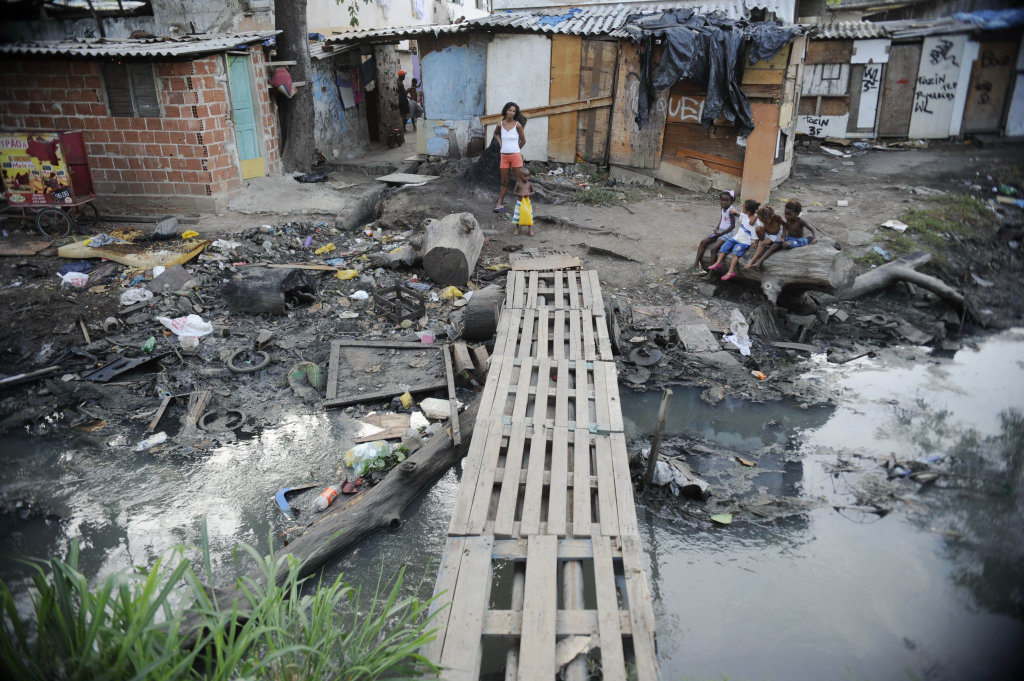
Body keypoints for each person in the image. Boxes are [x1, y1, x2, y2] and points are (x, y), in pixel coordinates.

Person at [707, 198, 760, 281]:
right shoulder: (746, 215)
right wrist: (735, 212)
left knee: (735, 253)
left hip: (744, 242)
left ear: (748, 211)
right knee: (724, 247)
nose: (742, 209)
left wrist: (756, 243)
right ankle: (717, 263)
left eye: (743, 207)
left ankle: (730, 272)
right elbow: (741, 215)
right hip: (736, 238)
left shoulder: (754, 223)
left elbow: (756, 234)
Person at [692, 189, 739, 274]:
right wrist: (717, 228)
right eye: (722, 200)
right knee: (703, 242)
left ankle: (711, 273)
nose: (723, 202)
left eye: (726, 200)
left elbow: (732, 226)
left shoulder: (731, 211)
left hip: (727, 234)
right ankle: (695, 264)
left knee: (714, 249)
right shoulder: (723, 208)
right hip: (720, 231)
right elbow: (722, 218)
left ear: (731, 201)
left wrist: (720, 234)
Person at [492, 101, 526, 213]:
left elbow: (523, 141)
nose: (511, 112)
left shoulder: (518, 125)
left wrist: (516, 150)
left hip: (515, 156)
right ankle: (500, 203)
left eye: (513, 111)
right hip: (504, 157)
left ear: (515, 113)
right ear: (505, 111)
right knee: (504, 182)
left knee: (518, 181)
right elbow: (495, 134)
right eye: (509, 110)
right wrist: (501, 143)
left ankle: (521, 204)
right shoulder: (500, 124)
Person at [745, 205, 786, 270]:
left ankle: (752, 260)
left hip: (775, 235)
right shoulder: (761, 215)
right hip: (766, 233)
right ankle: (762, 242)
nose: (764, 222)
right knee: (757, 228)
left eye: (765, 221)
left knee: (762, 244)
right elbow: (752, 222)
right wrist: (756, 242)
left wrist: (783, 236)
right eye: (762, 221)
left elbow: (784, 224)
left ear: (771, 217)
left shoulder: (777, 217)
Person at [513, 168, 534, 236]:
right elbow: (514, 192)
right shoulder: (518, 183)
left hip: (527, 203)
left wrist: (529, 194)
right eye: (525, 176)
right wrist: (520, 194)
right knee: (518, 216)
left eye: (528, 176)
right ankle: (517, 229)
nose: (527, 177)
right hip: (520, 203)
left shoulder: (529, 184)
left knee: (529, 215)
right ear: (520, 176)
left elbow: (533, 191)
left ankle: (530, 230)